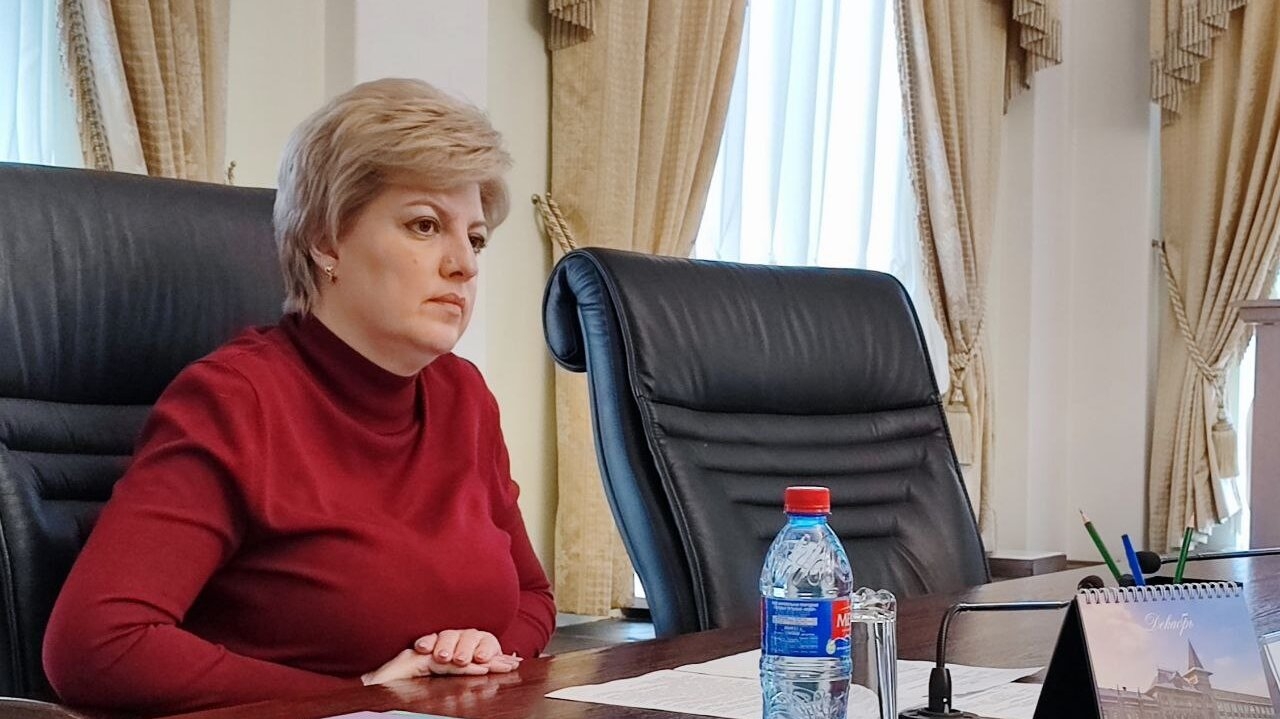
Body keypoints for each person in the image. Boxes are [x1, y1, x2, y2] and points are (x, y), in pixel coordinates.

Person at [42, 78, 555, 715]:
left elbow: (534, 598)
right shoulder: (235, 402)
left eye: (474, 238)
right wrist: (356, 698)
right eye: (425, 226)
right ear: (325, 240)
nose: (465, 265)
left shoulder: (463, 396)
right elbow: (96, 646)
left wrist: (483, 651)